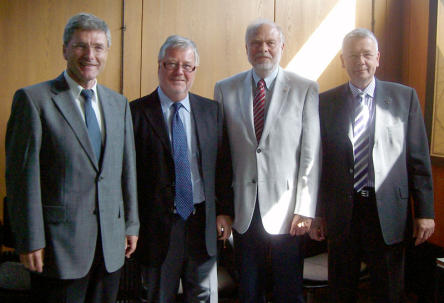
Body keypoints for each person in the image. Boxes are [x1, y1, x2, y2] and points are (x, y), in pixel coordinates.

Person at [5, 13, 139, 303]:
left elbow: (126, 171)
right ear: (64, 49)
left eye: (98, 47)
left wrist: (131, 224)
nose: (90, 55)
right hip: (57, 249)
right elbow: (21, 180)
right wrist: (29, 240)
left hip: (110, 246)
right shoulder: (34, 100)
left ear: (107, 52)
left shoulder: (119, 104)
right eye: (80, 46)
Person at [310, 28, 435, 302]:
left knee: (388, 290)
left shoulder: (405, 98)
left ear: (378, 58)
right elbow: (317, 164)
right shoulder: (323, 103)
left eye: (367, 55)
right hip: (343, 211)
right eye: (353, 56)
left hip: (388, 211)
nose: (360, 62)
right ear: (343, 61)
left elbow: (418, 159)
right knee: (341, 290)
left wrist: (425, 212)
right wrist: (317, 213)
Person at [214, 19, 321, 303]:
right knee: (249, 289)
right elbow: (222, 156)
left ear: (282, 47)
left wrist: (306, 207)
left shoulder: (305, 88)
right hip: (244, 209)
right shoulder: (225, 89)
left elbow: (311, 154)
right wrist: (223, 208)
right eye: (256, 43)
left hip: (290, 212)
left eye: (270, 43)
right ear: (246, 49)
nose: (263, 48)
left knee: (289, 289)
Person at [130, 35, 233, 303]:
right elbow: (127, 178)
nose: (180, 72)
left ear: (195, 70)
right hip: (157, 228)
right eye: (172, 64)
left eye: (187, 66)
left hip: (202, 224)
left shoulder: (212, 111)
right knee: (158, 297)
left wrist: (224, 211)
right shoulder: (135, 113)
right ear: (159, 66)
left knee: (203, 296)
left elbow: (223, 167)